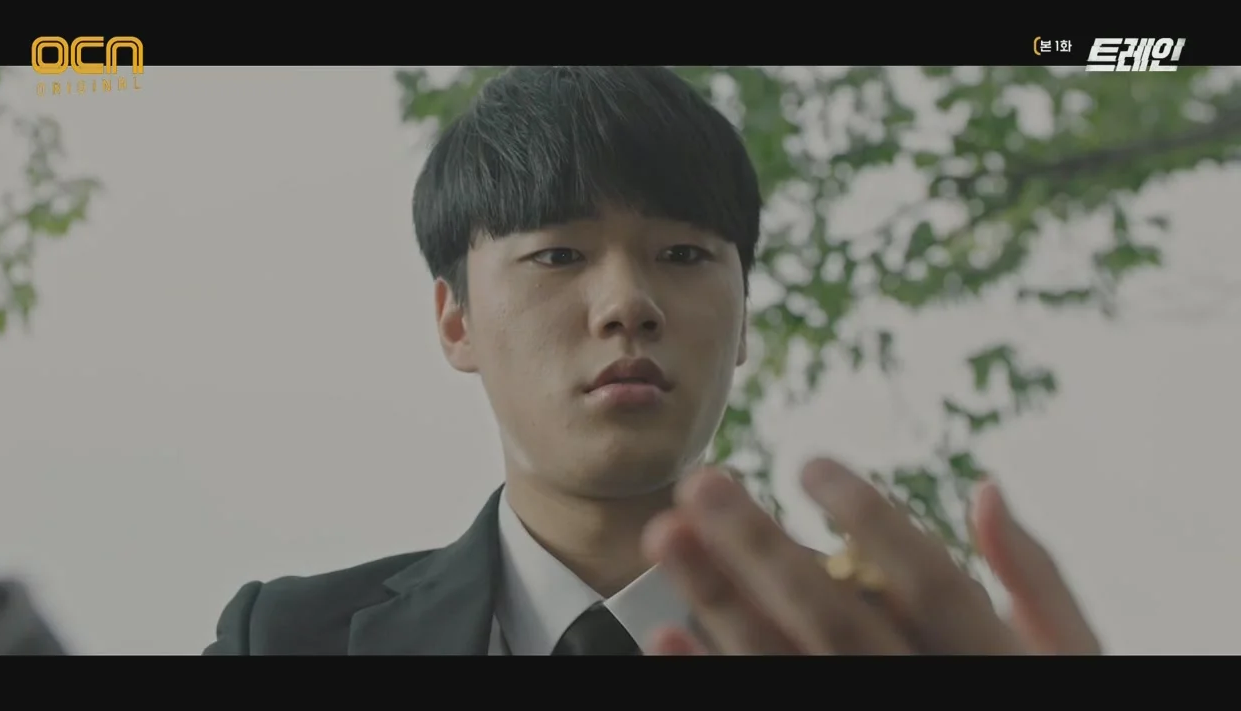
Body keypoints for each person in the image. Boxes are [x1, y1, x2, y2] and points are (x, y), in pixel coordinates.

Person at [203, 66, 1101, 656]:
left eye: (682, 254)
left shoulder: (882, 645)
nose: (628, 303)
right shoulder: (288, 641)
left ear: (743, 319)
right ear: (456, 321)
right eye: (559, 255)